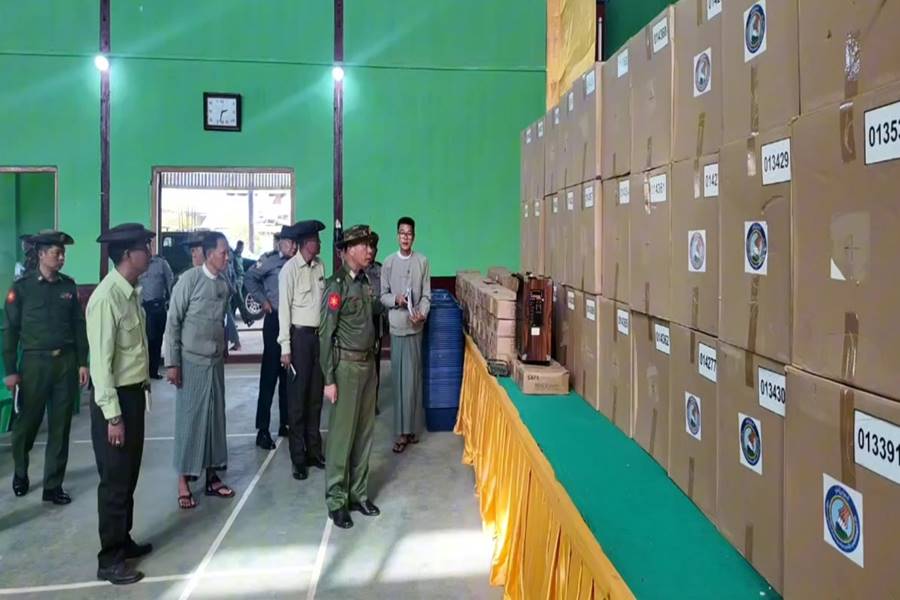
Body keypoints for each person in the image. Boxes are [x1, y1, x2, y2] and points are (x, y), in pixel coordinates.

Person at [87, 223, 156, 585]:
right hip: (113, 402)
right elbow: (101, 365)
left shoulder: (131, 293)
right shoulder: (106, 298)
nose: (150, 252)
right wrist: (113, 416)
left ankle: (123, 540)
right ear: (128, 254)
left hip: (132, 396)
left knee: (128, 476)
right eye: (145, 246)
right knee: (114, 481)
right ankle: (110, 559)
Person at [3, 230, 89, 503]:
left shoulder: (68, 287)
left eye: (63, 253)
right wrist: (10, 371)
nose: (61, 258)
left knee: (60, 427)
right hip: (34, 364)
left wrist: (83, 362)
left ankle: (53, 485)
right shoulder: (22, 288)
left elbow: (78, 326)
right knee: (26, 424)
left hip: (65, 362)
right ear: (41, 255)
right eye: (56, 253)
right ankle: (20, 471)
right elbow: (9, 330)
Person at [320, 224, 384, 529]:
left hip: (368, 366)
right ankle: (337, 499)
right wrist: (328, 379)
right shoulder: (336, 286)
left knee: (364, 433)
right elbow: (325, 333)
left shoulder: (366, 282)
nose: (369, 251)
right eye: (363, 245)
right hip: (345, 368)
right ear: (347, 251)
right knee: (341, 437)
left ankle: (358, 494)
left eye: (370, 245)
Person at [164, 231, 235, 510]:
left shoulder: (224, 283)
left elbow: (223, 320)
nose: (227, 258)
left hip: (215, 362)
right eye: (223, 253)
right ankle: (183, 482)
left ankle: (212, 477)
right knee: (190, 420)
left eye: (228, 253)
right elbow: (173, 322)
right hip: (191, 362)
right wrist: (172, 363)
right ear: (208, 254)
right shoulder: (189, 280)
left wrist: (225, 346)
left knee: (215, 421)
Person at [277, 220, 326, 481]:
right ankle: (298, 458)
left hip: (318, 338)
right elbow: (284, 311)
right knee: (297, 401)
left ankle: (314, 451)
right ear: (307, 243)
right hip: (299, 339)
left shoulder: (320, 266)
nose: (319, 244)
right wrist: (285, 347)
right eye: (316, 240)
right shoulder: (289, 270)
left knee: (315, 398)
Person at [380, 217, 431, 454]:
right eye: (402, 233)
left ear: (414, 236)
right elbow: (383, 295)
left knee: (413, 379)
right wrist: (396, 299)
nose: (405, 237)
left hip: (415, 327)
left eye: (409, 233)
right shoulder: (388, 263)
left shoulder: (422, 262)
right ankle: (400, 432)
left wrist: (422, 313)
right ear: (397, 236)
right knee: (399, 380)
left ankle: (411, 429)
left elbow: (426, 295)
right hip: (398, 327)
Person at [245, 226, 297, 449]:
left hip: (293, 322)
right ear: (280, 243)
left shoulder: (298, 263)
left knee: (289, 376)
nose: (293, 247)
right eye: (290, 243)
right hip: (275, 321)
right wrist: (262, 300)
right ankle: (263, 430)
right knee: (270, 375)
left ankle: (286, 422)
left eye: (296, 243)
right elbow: (249, 278)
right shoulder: (269, 261)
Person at [138, 252, 174, 379]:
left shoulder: (162, 263)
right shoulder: (138, 264)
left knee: (157, 340)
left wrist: (173, 302)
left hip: (159, 306)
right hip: (144, 308)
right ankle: (144, 371)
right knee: (146, 340)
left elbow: (170, 282)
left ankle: (153, 371)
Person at [364, 234, 387, 415]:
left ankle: (373, 402)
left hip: (375, 321)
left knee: (375, 366)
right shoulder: (355, 270)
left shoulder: (380, 270)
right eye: (368, 248)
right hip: (358, 324)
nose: (371, 252)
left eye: (374, 248)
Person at [224, 246, 241, 351]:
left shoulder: (225, 266)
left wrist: (231, 289)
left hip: (225, 295)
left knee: (228, 318)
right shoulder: (229, 265)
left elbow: (227, 279)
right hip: (227, 294)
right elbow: (234, 278)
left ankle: (236, 341)